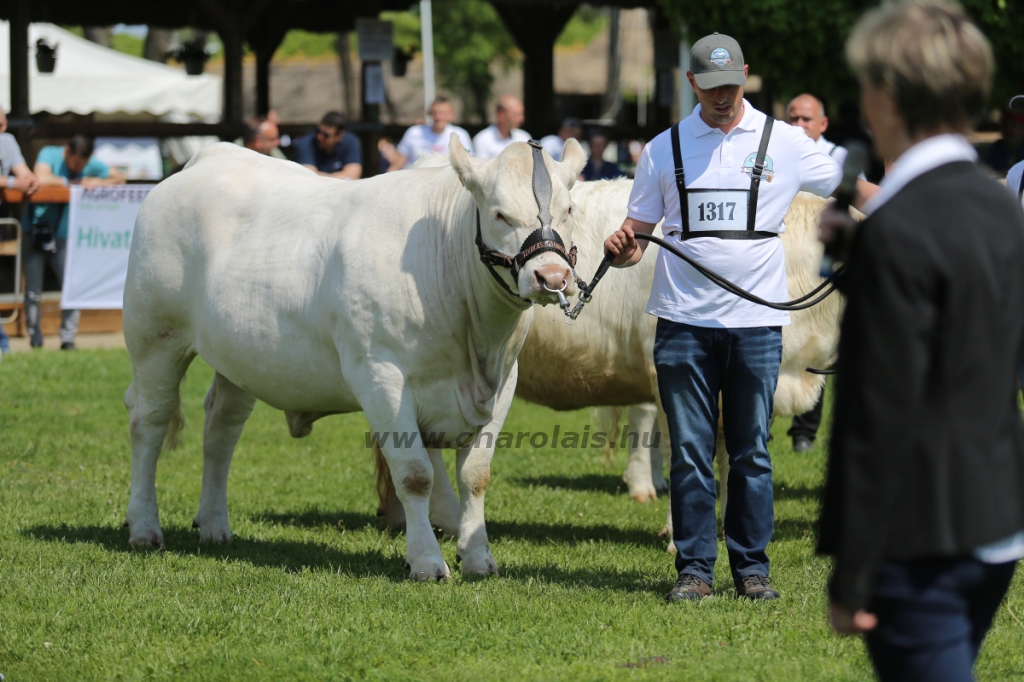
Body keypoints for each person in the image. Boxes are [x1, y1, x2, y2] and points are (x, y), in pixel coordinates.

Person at [603, 32, 877, 603]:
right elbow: (640, 231)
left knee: (751, 449)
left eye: (731, 85)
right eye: (711, 87)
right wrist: (626, 245)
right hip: (681, 324)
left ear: (746, 76)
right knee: (690, 451)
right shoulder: (664, 148)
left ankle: (752, 569)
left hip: (755, 324)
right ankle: (695, 570)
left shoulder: (786, 141)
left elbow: (855, 187)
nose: (722, 97)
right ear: (691, 83)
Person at [817, 4, 1024, 680]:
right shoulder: (998, 203)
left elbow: (881, 417)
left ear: (888, 95)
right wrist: (863, 255)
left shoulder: (900, 231)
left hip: (921, 541)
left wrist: (852, 574)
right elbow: (959, 320)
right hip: (995, 522)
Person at [784, 93, 849, 452]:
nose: (798, 125)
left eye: (806, 119)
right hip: (787, 262)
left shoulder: (839, 157)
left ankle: (805, 433)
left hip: (822, 259)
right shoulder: (778, 151)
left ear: (822, 124)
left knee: (816, 346)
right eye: (793, 118)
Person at [27, 135, 123, 350]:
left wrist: (100, 182)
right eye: (77, 162)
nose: (80, 167)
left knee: (73, 287)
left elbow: (119, 177)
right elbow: (41, 177)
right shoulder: (49, 153)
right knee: (33, 290)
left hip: (65, 234)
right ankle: (35, 340)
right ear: (67, 151)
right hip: (35, 230)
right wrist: (75, 183)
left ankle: (68, 339)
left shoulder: (89, 163)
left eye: (84, 164)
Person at [0, 108, 39, 358]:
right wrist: (14, 183)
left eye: (2, 122)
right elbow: (15, 179)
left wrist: (31, 180)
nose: (2, 128)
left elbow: (23, 172)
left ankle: (2, 345)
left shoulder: (7, 141)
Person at [388, 97, 474, 171]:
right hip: (415, 182)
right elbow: (397, 164)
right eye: (435, 113)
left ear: (451, 114)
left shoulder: (460, 135)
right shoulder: (414, 133)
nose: (439, 117)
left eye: (443, 113)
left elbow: (468, 164)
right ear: (429, 113)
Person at [293, 111, 362, 179]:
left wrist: (320, 176)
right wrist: (340, 177)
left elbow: (353, 176)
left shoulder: (350, 141)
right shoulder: (305, 143)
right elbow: (309, 177)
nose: (319, 137)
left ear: (339, 135)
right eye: (318, 131)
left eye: (326, 135)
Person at [472, 95, 531, 160]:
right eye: (516, 114)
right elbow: (482, 168)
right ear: (501, 114)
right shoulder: (482, 139)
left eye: (522, 114)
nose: (521, 119)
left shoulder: (524, 137)